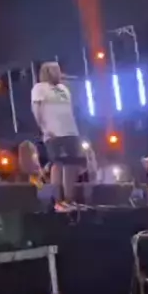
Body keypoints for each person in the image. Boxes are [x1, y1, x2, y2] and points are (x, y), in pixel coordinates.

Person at [31, 61, 83, 212]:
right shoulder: (39, 88)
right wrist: (45, 128)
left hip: (70, 131)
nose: (59, 72)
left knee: (71, 165)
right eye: (56, 70)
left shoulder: (64, 88)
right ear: (48, 72)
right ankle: (58, 201)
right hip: (54, 132)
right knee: (57, 164)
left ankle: (69, 199)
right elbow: (36, 110)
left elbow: (70, 110)